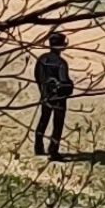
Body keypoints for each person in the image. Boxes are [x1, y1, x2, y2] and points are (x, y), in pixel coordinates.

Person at [32, 29, 74, 161]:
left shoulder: (41, 59)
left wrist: (43, 91)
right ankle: (53, 150)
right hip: (58, 98)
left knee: (43, 119)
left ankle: (38, 146)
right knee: (58, 123)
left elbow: (37, 77)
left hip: (45, 95)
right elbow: (64, 82)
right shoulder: (61, 63)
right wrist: (70, 86)